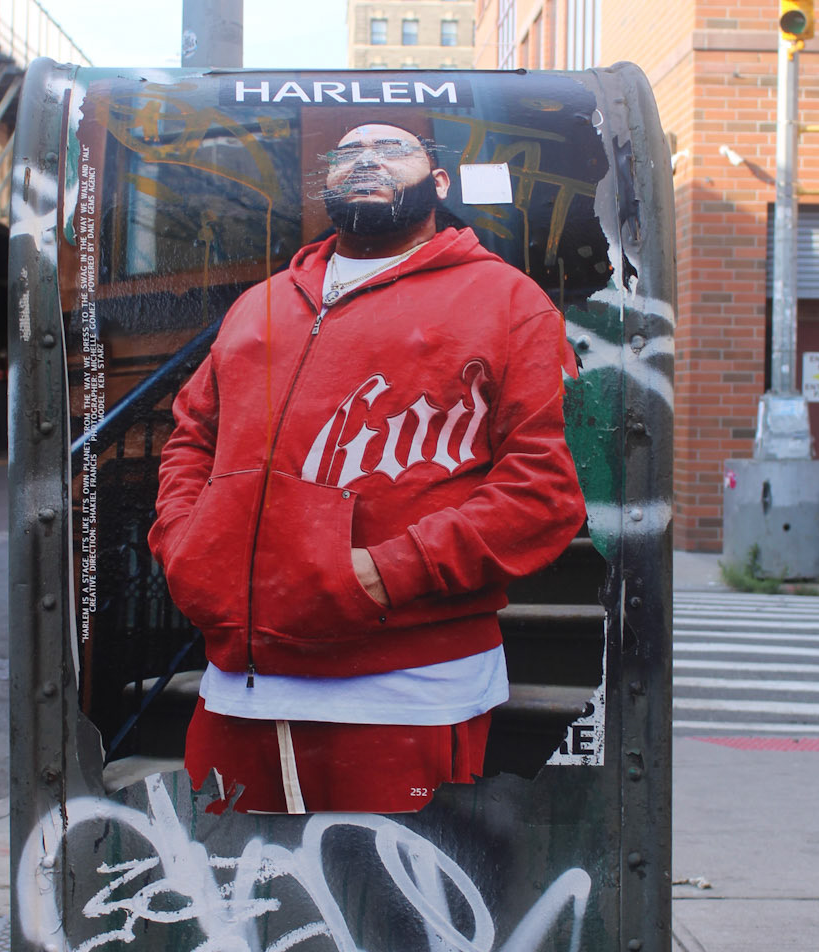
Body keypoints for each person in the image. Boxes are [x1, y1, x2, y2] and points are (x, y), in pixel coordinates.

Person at [147, 122, 587, 815]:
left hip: (409, 691)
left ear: (438, 183)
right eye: (347, 152)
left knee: (389, 888)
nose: (365, 160)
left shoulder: (508, 299)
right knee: (229, 883)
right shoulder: (261, 302)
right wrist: (186, 546)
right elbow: (191, 435)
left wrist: (385, 573)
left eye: (391, 149)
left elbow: (544, 491)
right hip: (236, 686)